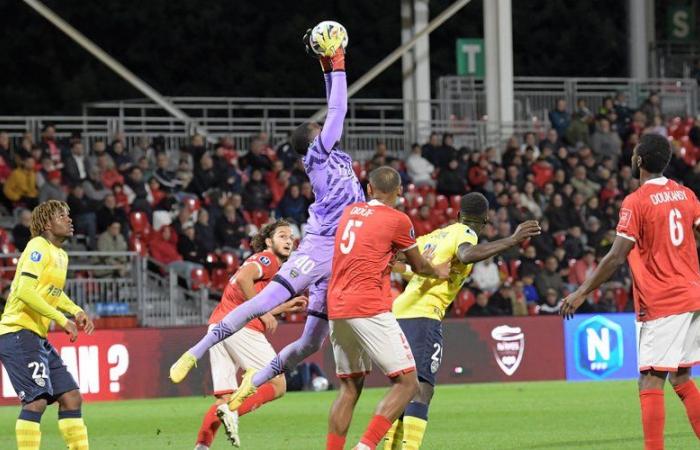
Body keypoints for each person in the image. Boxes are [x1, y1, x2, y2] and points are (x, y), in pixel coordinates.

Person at [170, 32, 365, 408]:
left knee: (311, 341)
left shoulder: (334, 154)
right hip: (322, 243)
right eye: (319, 130)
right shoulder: (319, 157)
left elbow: (332, 107)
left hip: (342, 254)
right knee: (264, 302)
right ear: (313, 142)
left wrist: (325, 65)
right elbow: (337, 110)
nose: (326, 129)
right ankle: (195, 351)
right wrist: (339, 63)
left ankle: (253, 383)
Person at [561, 133, 700, 450]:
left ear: (638, 160)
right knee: (680, 377)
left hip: (663, 302)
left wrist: (581, 292)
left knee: (650, 381)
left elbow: (615, 256)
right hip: (693, 297)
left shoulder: (636, 202)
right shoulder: (685, 194)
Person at [385, 193, 541, 450]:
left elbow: (403, 260)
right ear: (486, 220)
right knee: (423, 389)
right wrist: (512, 240)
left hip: (399, 313)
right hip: (423, 316)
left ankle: (390, 445)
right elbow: (467, 254)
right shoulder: (465, 233)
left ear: (458, 215)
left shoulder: (435, 236)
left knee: (404, 387)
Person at [325, 166, 450, 450]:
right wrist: (438, 270)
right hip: (368, 306)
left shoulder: (349, 213)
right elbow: (419, 266)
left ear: (369, 190)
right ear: (400, 191)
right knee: (408, 384)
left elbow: (381, 257)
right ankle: (366, 446)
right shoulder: (398, 220)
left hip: (337, 307)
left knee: (349, 388)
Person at [195, 220, 307, 450]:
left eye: (291, 237)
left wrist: (282, 308)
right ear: (268, 241)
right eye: (282, 236)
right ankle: (233, 413)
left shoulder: (270, 265)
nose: (289, 241)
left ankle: (201, 447)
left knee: (223, 399)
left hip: (218, 327)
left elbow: (248, 295)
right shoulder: (266, 259)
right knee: (277, 384)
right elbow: (245, 279)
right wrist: (265, 312)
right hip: (240, 328)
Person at [0, 200, 94, 450]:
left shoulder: (61, 255)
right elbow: (24, 292)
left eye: (68, 215)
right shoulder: (37, 247)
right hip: (17, 331)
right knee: (36, 401)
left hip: (35, 336)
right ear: (47, 223)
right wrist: (61, 319)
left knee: (72, 398)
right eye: (63, 216)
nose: (69, 219)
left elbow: (51, 291)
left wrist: (75, 310)